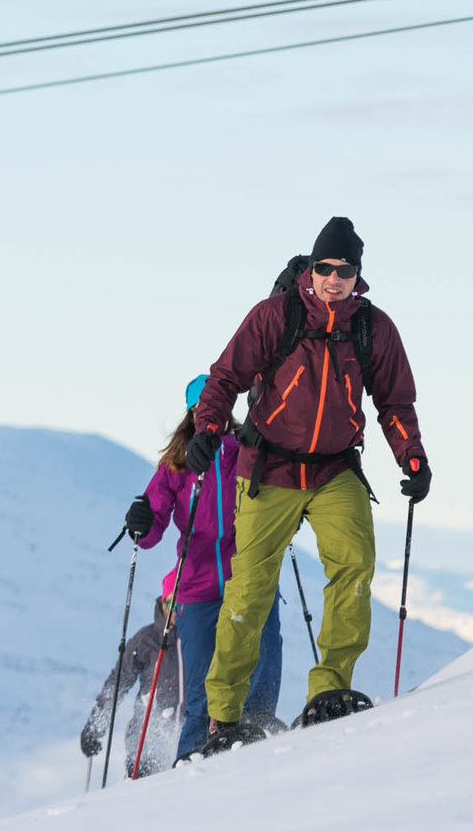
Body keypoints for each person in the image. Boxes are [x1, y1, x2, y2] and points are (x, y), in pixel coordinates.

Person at [183, 217, 431, 750]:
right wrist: (207, 427)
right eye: (325, 268)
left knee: (355, 567)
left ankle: (329, 691)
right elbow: (225, 377)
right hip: (269, 467)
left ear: (357, 275)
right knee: (248, 591)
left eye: (344, 270)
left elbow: (395, 402)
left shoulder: (374, 328)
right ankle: (223, 719)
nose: (333, 278)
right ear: (312, 269)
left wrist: (412, 459)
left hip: (335, 468)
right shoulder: (277, 315)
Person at [122, 375, 287, 761]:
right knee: (200, 685)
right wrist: (141, 522)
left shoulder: (247, 448)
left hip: (245, 573)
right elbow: (151, 529)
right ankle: (192, 758)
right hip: (196, 586)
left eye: (217, 406)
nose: (210, 415)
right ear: (191, 413)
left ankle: (258, 725)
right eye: (201, 408)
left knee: (263, 650)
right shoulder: (176, 465)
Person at [80, 578, 182, 776]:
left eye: (181, 604)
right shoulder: (147, 640)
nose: (176, 611)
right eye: (171, 604)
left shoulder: (196, 637)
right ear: (162, 603)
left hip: (189, 739)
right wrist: (96, 726)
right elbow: (118, 682)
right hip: (146, 746)